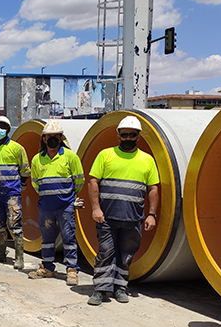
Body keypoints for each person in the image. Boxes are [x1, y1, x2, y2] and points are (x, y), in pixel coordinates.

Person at [86, 115, 159, 305]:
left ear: (138, 136)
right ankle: (100, 289)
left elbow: (153, 188)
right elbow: (93, 181)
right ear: (118, 135)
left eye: (132, 135)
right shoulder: (106, 155)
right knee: (105, 253)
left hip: (133, 219)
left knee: (126, 256)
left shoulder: (147, 160)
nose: (128, 138)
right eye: (124, 135)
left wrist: (151, 214)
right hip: (107, 218)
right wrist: (96, 208)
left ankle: (120, 288)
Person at [28, 120, 84, 285]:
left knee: (69, 237)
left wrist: (68, 197)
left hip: (65, 206)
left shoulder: (70, 157)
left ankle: (72, 270)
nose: (52, 138)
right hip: (46, 207)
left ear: (61, 138)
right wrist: (48, 195)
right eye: (49, 136)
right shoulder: (37, 159)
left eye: (56, 136)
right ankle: (47, 267)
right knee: (47, 239)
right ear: (44, 139)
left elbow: (79, 180)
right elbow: (35, 182)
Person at [0, 116, 31, 269]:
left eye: (2, 127)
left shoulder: (17, 148)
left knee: (15, 223)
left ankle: (19, 258)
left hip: (11, 193)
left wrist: (20, 185)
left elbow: (25, 170)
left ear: (8, 130)